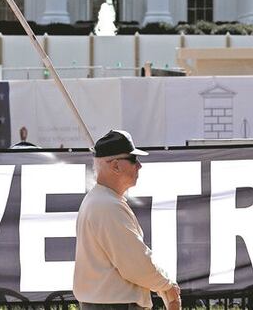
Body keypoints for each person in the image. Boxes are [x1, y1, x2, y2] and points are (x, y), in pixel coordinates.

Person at [74, 129, 181, 310]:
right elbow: (136, 265)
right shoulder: (107, 205)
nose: (139, 165)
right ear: (115, 166)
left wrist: (166, 287)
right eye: (133, 159)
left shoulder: (102, 200)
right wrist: (168, 287)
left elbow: (136, 261)